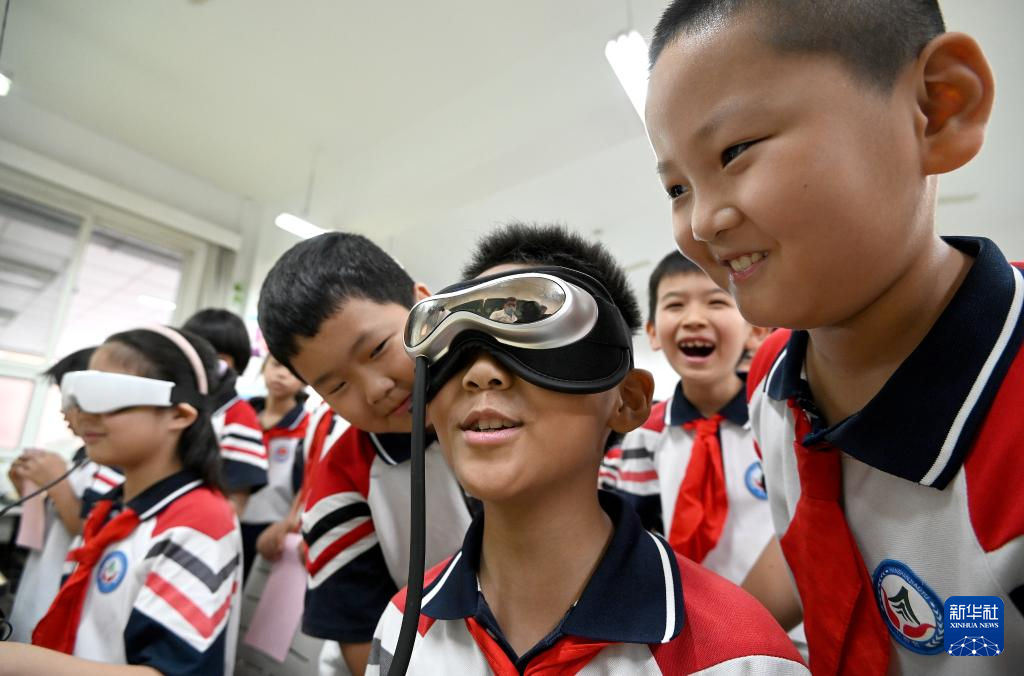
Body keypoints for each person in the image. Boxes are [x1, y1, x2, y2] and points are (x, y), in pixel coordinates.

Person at [644, 1, 1021, 673]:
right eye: (677, 187)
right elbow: (815, 547)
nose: (701, 221)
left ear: (937, 108)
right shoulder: (775, 385)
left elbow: (983, 633)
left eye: (735, 151)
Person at [367, 223, 807, 674]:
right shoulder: (401, 627)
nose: (480, 374)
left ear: (628, 401)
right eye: (455, 348)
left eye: (532, 331)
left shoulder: (740, 657)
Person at [257, 232, 473, 676]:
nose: (375, 390)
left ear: (423, 304)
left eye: (377, 349)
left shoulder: (517, 396)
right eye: (337, 386)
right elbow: (362, 643)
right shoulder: (339, 485)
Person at [0, 326, 242, 675]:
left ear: (179, 414)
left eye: (107, 395)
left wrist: (19, 661)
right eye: (79, 395)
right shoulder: (111, 510)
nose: (81, 414)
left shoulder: (199, 521)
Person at [600, 251, 771, 580]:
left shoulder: (776, 419)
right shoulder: (642, 434)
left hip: (779, 607)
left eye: (717, 302)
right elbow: (629, 532)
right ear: (653, 333)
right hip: (680, 602)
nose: (694, 319)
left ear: (755, 329)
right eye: (676, 305)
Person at [7, 348, 103, 642]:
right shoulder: (79, 456)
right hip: (39, 580)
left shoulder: (113, 464)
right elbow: (51, 525)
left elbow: (90, 533)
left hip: (60, 592)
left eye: (71, 400)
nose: (63, 412)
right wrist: (26, 487)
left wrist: (54, 483)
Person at [183, 309, 269, 517]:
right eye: (195, 353)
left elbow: (236, 500)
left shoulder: (239, 415)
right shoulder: (175, 404)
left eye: (217, 357)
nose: (203, 363)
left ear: (236, 363)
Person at [239, 354, 310, 581]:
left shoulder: (307, 426)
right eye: (276, 365)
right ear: (263, 368)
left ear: (305, 379)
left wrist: (289, 522)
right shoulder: (243, 417)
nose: (281, 374)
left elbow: (309, 482)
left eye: (291, 370)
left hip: (274, 528)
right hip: (231, 518)